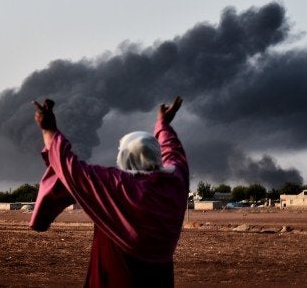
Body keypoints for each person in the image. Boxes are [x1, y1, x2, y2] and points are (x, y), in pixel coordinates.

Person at [30, 97, 188, 287]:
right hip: (160, 279)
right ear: (157, 155)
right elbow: (173, 151)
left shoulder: (117, 185)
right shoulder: (174, 182)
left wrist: (48, 130)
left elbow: (70, 169)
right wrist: (163, 125)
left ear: (123, 156)